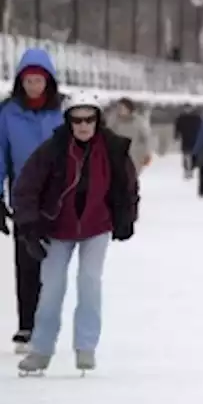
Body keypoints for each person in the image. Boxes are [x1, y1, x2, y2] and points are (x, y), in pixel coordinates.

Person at [12, 94, 139, 375]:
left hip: (97, 226)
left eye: (89, 119)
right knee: (52, 288)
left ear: (97, 120)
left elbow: (128, 184)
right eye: (77, 120)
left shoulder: (113, 149)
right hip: (58, 229)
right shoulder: (52, 150)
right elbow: (26, 187)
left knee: (90, 281)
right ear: (69, 122)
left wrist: (127, 216)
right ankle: (41, 350)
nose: (83, 126)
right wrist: (30, 226)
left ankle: (85, 346)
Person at [0, 49, 65, 354]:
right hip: (23, 196)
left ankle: (46, 323)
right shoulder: (7, 114)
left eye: (39, 80)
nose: (34, 86)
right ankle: (27, 325)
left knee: (52, 263)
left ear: (48, 81)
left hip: (57, 195)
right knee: (26, 261)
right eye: (29, 80)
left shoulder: (62, 112)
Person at [106, 98, 153, 175]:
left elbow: (146, 138)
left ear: (129, 109)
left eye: (122, 108)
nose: (119, 110)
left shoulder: (138, 121)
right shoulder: (113, 121)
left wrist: (147, 153)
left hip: (134, 156)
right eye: (118, 107)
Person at [174, 104, 203, 180]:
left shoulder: (196, 117)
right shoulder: (181, 117)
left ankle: (190, 170)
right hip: (185, 139)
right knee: (186, 155)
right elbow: (177, 127)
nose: (187, 110)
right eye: (186, 108)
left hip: (194, 139)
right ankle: (187, 170)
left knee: (192, 156)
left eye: (188, 108)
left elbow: (201, 128)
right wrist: (176, 135)